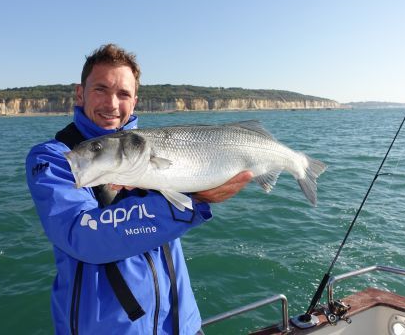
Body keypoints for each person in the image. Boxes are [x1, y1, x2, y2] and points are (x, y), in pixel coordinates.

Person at [26, 43, 252, 335]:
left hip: (183, 325)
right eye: (100, 90)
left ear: (135, 101)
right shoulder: (57, 158)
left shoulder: (155, 149)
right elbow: (82, 235)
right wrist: (190, 204)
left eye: (123, 94)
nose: (112, 104)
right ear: (80, 93)